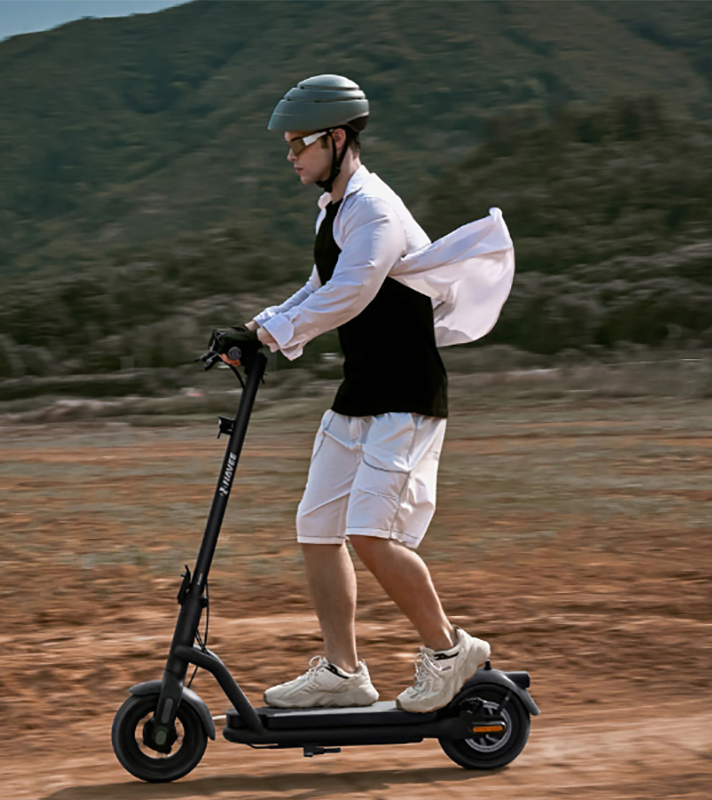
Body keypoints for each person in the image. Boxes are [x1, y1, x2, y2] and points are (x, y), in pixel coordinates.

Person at [214, 74, 491, 714]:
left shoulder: (376, 211)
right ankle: (343, 672)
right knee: (317, 526)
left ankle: (451, 652)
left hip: (407, 395)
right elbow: (318, 285)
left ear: (337, 139)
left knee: (370, 533)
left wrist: (275, 333)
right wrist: (258, 327)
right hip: (362, 391)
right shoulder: (336, 208)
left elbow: (352, 292)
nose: (291, 155)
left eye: (299, 143)